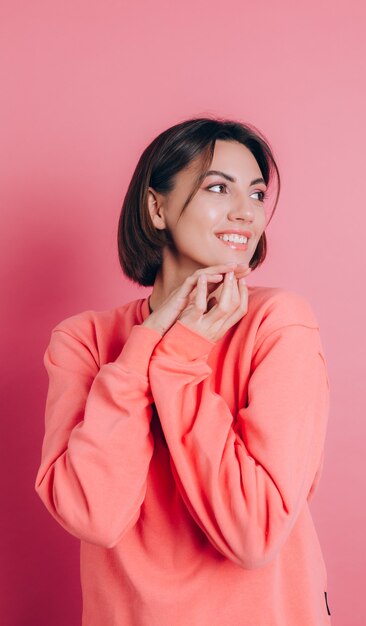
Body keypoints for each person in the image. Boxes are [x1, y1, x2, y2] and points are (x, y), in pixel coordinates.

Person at [34, 116, 332, 625]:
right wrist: (145, 346)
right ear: (157, 207)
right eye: (219, 188)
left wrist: (179, 361)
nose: (246, 213)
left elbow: (254, 531)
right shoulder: (83, 341)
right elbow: (93, 514)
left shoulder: (277, 322)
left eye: (257, 195)